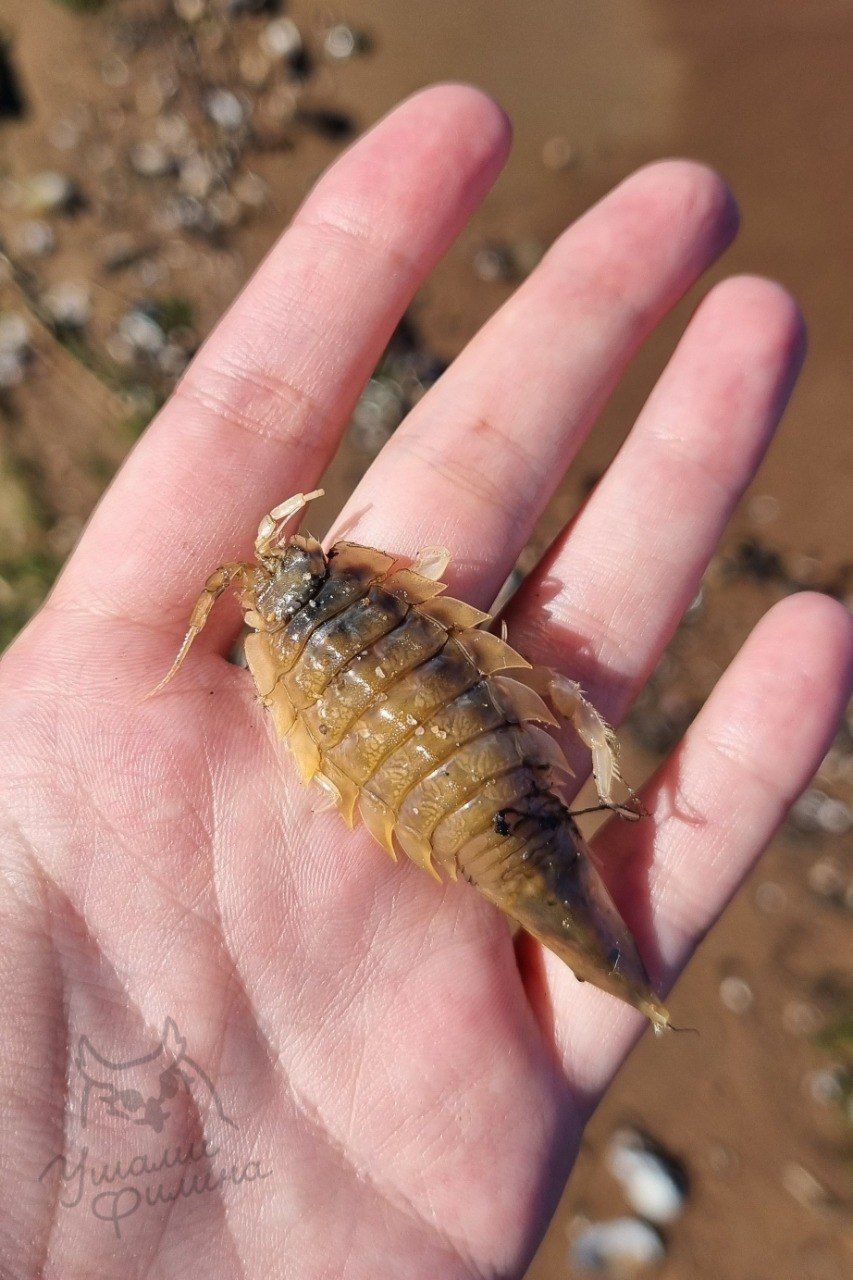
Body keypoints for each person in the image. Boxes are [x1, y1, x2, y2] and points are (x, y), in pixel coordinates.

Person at [0, 85, 849, 1277]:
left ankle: (620, 968)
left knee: (512, 811)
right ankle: (623, 971)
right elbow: (439, 632)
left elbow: (401, 669)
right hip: (459, 765)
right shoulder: (366, 602)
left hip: (453, 770)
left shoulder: (300, 653)